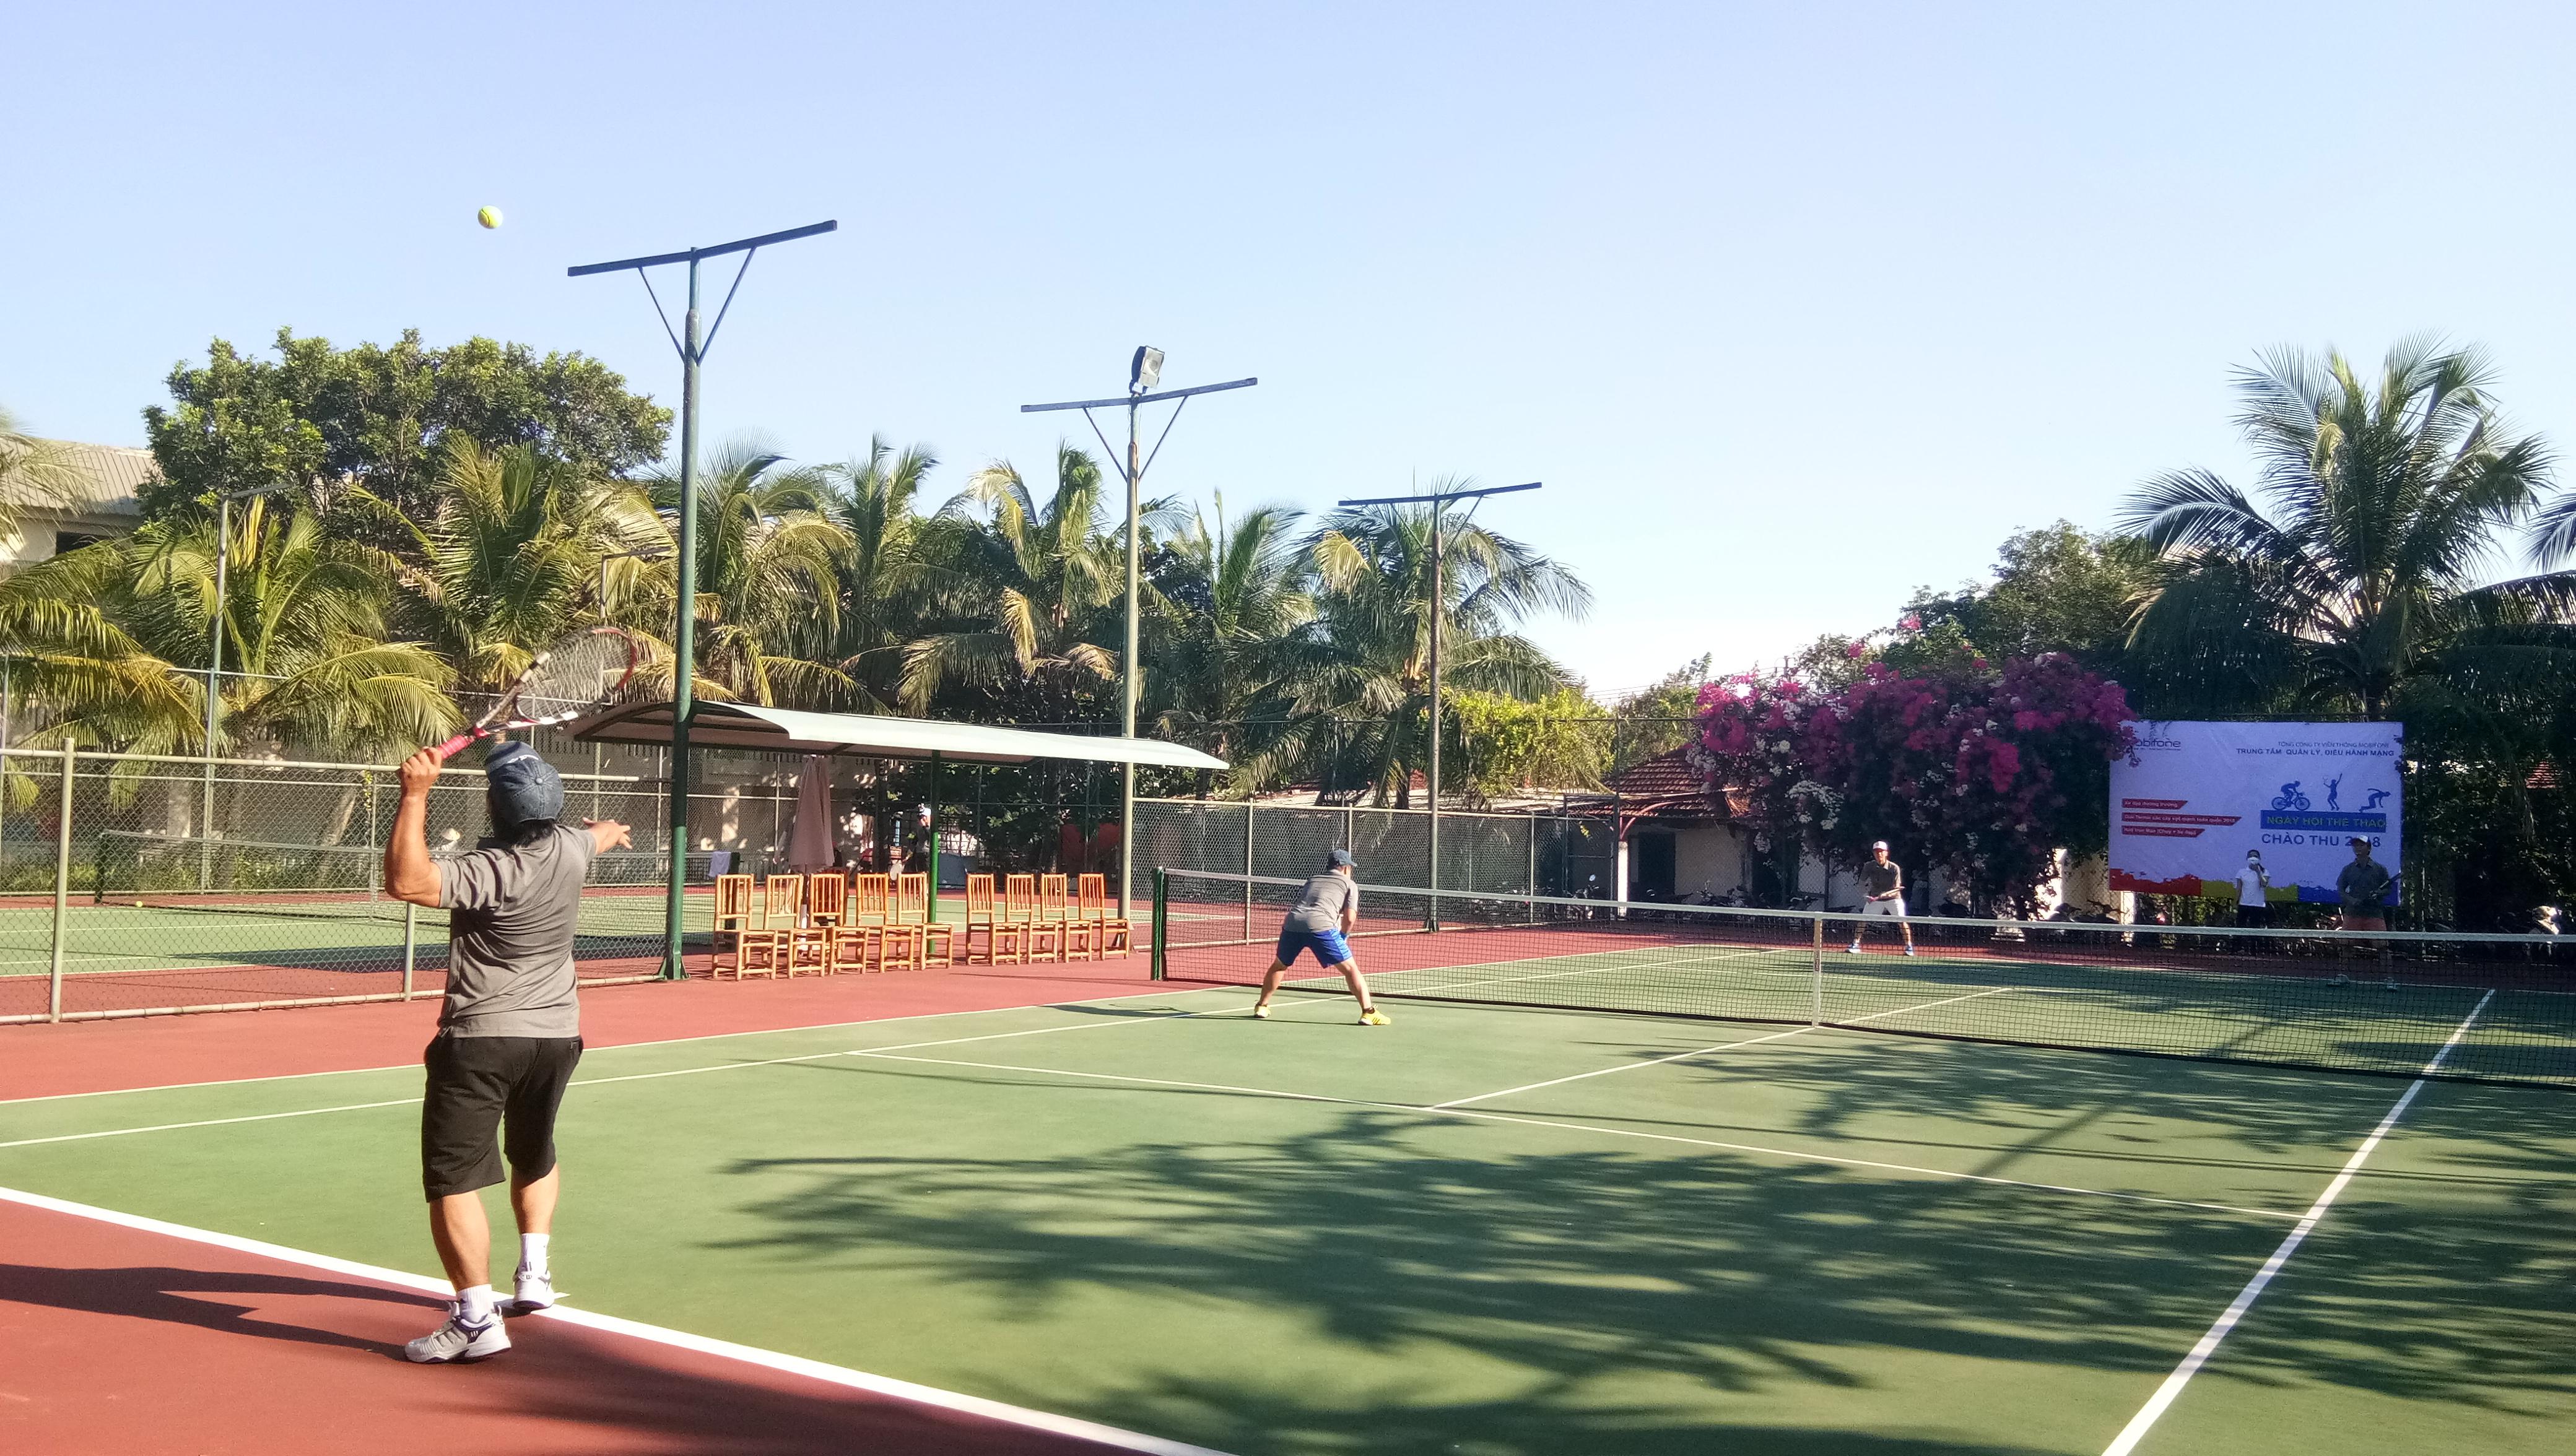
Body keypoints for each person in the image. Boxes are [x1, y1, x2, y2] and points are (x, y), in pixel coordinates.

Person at [384, 740, 631, 1364]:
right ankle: (535, 1277)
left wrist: (415, 793)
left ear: (495, 809)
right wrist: (608, 829)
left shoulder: (488, 870)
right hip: (556, 1038)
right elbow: (597, 834)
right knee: (534, 1152)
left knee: (453, 1177)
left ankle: (475, 1319)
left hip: (482, 1038)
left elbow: (407, 881)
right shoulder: (574, 851)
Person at [1249, 849, 1390, 1026]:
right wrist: (1344, 935)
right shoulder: (1350, 884)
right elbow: (1350, 917)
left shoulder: (1313, 879)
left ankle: (1262, 1006)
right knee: (1351, 969)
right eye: (1350, 867)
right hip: (1321, 927)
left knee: (1280, 965)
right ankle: (1368, 1013)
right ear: (1345, 868)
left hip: (1292, 923)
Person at [1847, 840, 1915, 956]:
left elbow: (1897, 888)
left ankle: (1909, 947)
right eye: (1877, 852)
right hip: (1875, 898)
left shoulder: (1894, 868)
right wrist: (1866, 896)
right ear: (1874, 854)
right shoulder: (1869, 866)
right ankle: (1855, 944)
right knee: (1863, 920)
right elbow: (1862, 883)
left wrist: (1887, 894)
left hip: (1894, 899)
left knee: (1902, 921)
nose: (1879, 854)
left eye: (1881, 852)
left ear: (1886, 853)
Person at [2336, 836, 2393, 932]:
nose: (2358, 848)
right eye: (2355, 846)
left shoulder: (2380, 869)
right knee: (2347, 943)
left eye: (2361, 845)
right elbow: (2341, 889)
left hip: (2374, 913)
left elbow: (2388, 890)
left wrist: (2379, 893)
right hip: (2353, 914)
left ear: (2369, 848)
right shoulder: (2348, 869)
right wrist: (2351, 900)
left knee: (2380, 944)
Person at [2232, 849, 2273, 951]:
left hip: (2258, 905)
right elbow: (2239, 889)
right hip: (2244, 904)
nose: (2253, 859)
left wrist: (2258, 872)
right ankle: (2236, 949)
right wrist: (2235, 903)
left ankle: (2254, 950)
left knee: (2255, 928)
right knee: (2240, 927)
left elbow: (2263, 884)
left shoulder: (2265, 872)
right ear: (2247, 859)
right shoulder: (2241, 872)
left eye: (2255, 857)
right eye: (2251, 857)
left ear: (2259, 859)